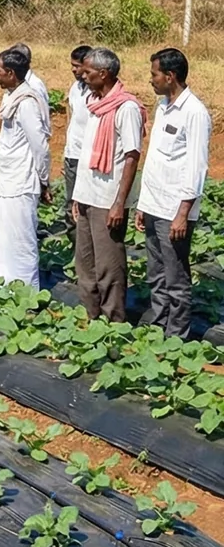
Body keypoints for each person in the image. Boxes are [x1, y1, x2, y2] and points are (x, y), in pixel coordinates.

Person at [136, 47, 212, 339]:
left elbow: (196, 167)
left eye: (154, 74)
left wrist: (183, 213)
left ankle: (177, 336)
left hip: (173, 210)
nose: (151, 79)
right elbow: (156, 159)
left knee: (176, 277)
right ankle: (159, 325)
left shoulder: (194, 113)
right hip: (154, 204)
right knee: (156, 273)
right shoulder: (163, 106)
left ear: (170, 76)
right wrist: (143, 204)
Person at [72, 48, 143, 324]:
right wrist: (78, 196)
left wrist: (119, 203)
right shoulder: (93, 103)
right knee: (85, 263)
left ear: (103, 74)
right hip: (87, 195)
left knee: (109, 266)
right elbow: (87, 153)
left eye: (88, 71)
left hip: (107, 198)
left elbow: (131, 157)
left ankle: (114, 322)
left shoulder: (126, 108)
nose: (83, 75)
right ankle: (91, 318)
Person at [0, 47, 50, 286]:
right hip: (7, 179)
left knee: (20, 240)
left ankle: (23, 290)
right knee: (4, 236)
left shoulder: (27, 102)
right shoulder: (11, 97)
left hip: (21, 181)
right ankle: (4, 286)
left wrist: (44, 179)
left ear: (10, 73)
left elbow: (40, 146)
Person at [61, 45, 93, 206]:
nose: (73, 70)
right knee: (70, 203)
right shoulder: (75, 88)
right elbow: (71, 119)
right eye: (72, 65)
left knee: (84, 204)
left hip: (87, 158)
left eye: (77, 66)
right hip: (72, 154)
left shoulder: (96, 93)